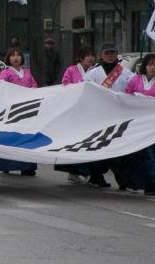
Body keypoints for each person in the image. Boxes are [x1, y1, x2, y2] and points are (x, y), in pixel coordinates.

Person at [83, 44, 134, 189]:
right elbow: (85, 90)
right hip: (99, 116)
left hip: (119, 116)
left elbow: (135, 88)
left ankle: (123, 180)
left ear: (117, 55)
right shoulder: (93, 73)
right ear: (101, 55)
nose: (110, 56)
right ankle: (96, 176)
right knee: (99, 148)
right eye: (107, 53)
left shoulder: (125, 73)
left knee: (118, 150)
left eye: (113, 53)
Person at [0, 48, 39, 177]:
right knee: (10, 137)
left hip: (27, 109)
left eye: (18, 55)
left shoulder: (27, 72)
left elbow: (34, 85)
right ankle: (6, 165)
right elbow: (1, 87)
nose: (16, 58)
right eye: (12, 56)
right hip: (11, 110)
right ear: (8, 59)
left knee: (26, 137)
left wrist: (32, 90)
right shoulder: (5, 72)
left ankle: (27, 167)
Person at [56, 45, 95, 184]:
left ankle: (88, 172)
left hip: (90, 111)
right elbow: (65, 85)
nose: (91, 58)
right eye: (88, 55)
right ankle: (73, 172)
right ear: (80, 58)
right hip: (75, 110)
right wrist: (80, 85)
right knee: (75, 142)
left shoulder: (95, 71)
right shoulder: (71, 70)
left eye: (92, 55)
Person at [119, 54, 155, 195]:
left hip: (152, 124)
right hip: (137, 124)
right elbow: (126, 96)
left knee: (150, 155)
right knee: (133, 154)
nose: (153, 67)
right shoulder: (136, 80)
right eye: (150, 64)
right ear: (144, 66)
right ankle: (130, 181)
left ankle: (151, 184)